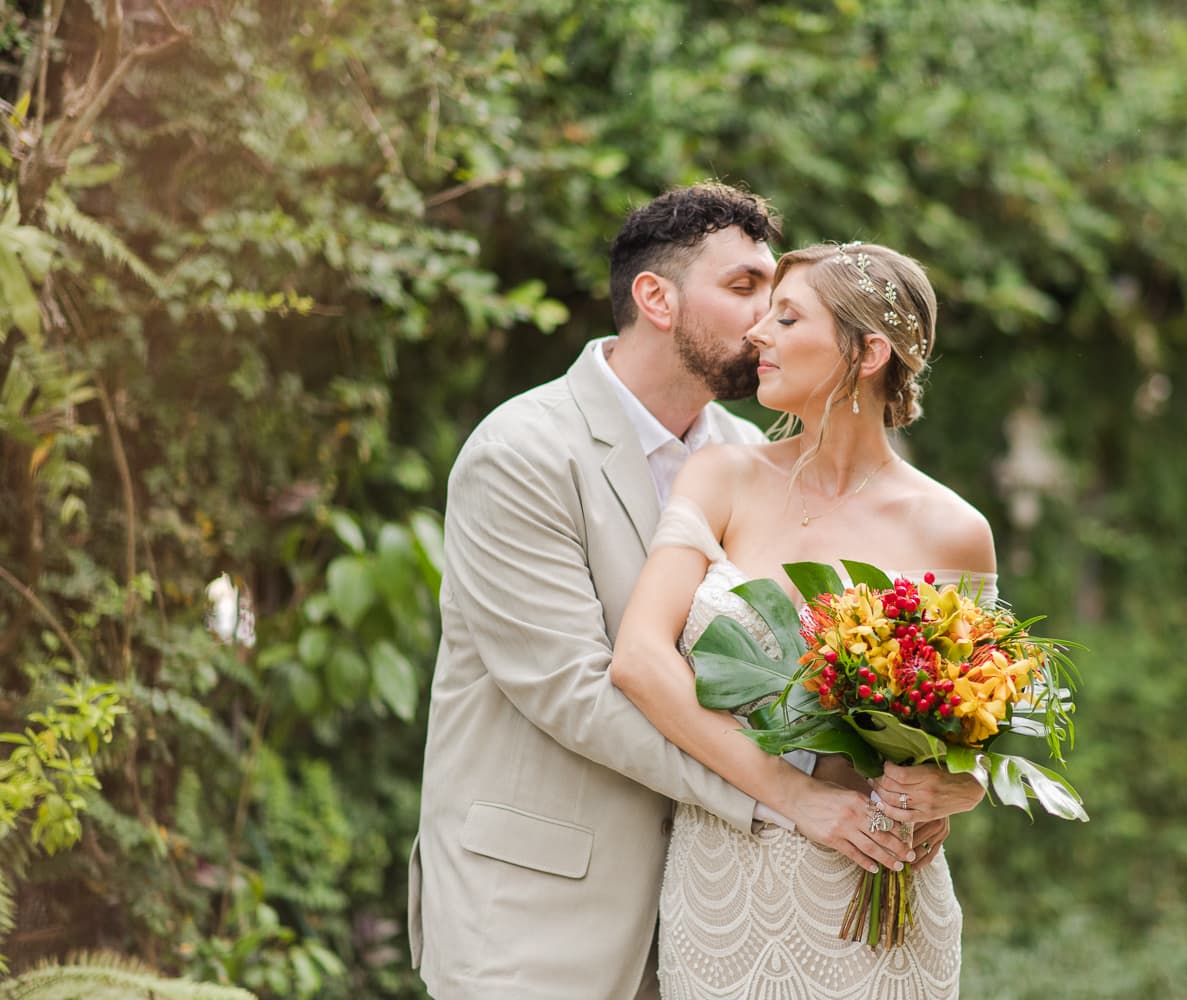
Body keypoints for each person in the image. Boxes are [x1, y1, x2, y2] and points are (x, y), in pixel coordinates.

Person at [407, 186, 922, 999]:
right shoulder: (521, 453)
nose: (764, 323)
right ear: (656, 298)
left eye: (778, 300)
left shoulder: (753, 456)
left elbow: (795, 680)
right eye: (745, 287)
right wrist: (785, 799)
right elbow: (572, 690)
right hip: (535, 916)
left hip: (713, 912)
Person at [610, 241, 994, 998]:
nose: (758, 333)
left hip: (874, 890)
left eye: (787, 318)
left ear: (869, 351)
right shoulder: (721, 474)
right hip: (725, 885)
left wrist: (955, 788)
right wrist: (793, 799)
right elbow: (639, 661)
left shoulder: (953, 528)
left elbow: (972, 732)